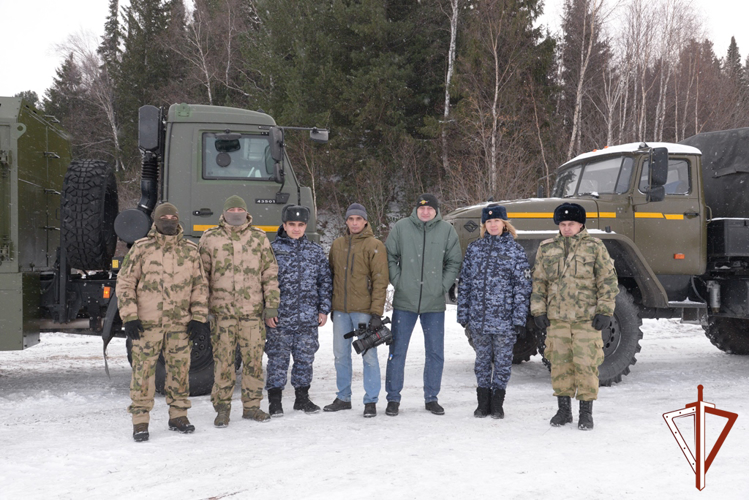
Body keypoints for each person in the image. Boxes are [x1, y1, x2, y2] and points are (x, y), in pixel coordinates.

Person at [117, 202, 210, 442]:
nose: (169, 220)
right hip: (147, 325)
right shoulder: (141, 248)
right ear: (156, 221)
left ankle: (178, 416)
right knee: (143, 374)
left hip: (180, 325)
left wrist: (199, 318)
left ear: (178, 220)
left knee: (180, 372)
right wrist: (130, 317)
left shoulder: (190, 250)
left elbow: (199, 286)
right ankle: (140, 421)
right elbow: (126, 284)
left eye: (173, 216)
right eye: (164, 216)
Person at [530, 202, 618, 430]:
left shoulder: (595, 247)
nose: (567, 228)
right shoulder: (547, 248)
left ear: (581, 225)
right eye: (563, 224)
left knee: (586, 365)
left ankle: (586, 413)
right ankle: (563, 411)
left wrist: (605, 311)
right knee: (560, 365)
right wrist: (538, 310)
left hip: (586, 319)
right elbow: (539, 282)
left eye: (571, 224)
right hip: (557, 319)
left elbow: (607, 281)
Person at [199, 195, 280, 427]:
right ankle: (222, 409)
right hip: (222, 315)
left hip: (252, 314)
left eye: (239, 209)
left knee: (253, 362)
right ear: (224, 213)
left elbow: (270, 274)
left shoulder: (258, 238)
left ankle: (252, 407)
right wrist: (202, 307)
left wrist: (271, 305)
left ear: (246, 212)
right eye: (232, 209)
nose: (236, 212)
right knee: (223, 363)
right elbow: (201, 276)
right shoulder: (210, 238)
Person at [384, 194, 462, 416]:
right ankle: (393, 399)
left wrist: (441, 286)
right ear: (415, 210)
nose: (426, 212)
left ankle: (431, 398)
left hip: (434, 303)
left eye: (430, 209)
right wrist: (399, 282)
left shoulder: (447, 231)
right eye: (422, 208)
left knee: (435, 352)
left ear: (436, 211)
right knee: (397, 352)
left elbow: (454, 261)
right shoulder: (401, 228)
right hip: (404, 302)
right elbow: (389, 256)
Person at [457, 205, 532, 419]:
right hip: (478, 320)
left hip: (504, 321)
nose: (492, 225)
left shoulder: (515, 251)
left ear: (504, 224)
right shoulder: (474, 249)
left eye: (497, 221)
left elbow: (522, 287)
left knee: (502, 363)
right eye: (488, 222)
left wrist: (519, 318)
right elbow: (465, 284)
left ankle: (497, 404)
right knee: (481, 361)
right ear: (484, 225)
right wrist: (463, 314)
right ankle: (483, 403)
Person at [265, 205, 332, 417]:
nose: (296, 229)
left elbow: (325, 282)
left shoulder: (314, 251)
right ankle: (275, 401)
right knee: (277, 360)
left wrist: (323, 309)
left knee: (305, 359)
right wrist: (268, 310)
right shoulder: (272, 251)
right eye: (292, 224)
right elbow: (264, 283)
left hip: (307, 317)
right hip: (280, 317)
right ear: (284, 225)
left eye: (300, 225)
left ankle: (302, 399)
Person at [324, 203, 389, 418]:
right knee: (341, 356)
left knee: (369, 355)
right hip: (341, 311)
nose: (354, 223)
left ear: (365, 221)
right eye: (350, 219)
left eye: (358, 219)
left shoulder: (375, 245)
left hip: (364, 311)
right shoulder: (337, 245)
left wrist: (376, 313)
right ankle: (343, 397)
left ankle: (370, 401)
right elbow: (331, 277)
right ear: (346, 221)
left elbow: (380, 281)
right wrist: (331, 306)